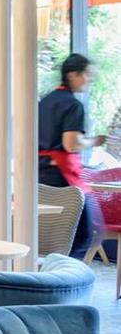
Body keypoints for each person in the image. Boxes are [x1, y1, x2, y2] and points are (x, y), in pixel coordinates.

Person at [39, 53, 106, 256]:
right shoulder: (73, 104)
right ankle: (64, 272)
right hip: (61, 176)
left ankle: (52, 269)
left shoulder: (44, 102)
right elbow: (71, 144)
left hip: (41, 173)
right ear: (72, 75)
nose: (89, 79)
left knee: (49, 235)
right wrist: (94, 141)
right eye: (86, 74)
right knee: (88, 234)